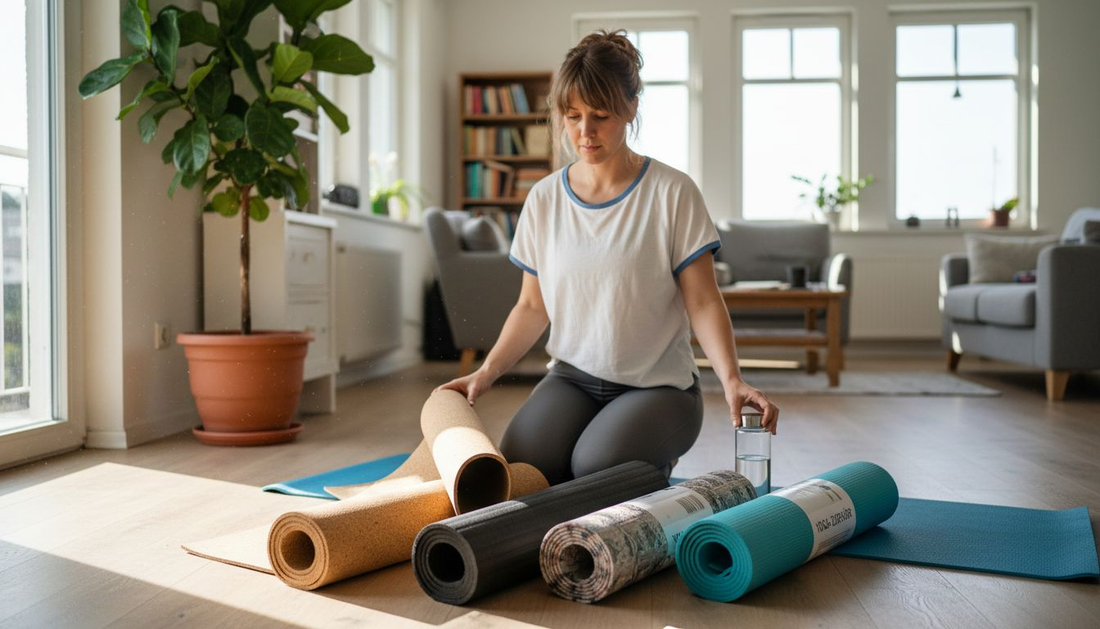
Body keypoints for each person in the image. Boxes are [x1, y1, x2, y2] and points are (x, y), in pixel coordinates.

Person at [437, 30, 778, 485]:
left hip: (659, 388)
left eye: (600, 115)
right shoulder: (543, 199)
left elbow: (702, 301)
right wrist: (487, 372)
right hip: (573, 380)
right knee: (521, 469)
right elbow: (532, 306)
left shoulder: (672, 192)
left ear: (632, 108)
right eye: (572, 116)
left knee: (592, 471)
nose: (584, 132)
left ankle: (650, 463)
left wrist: (732, 379)